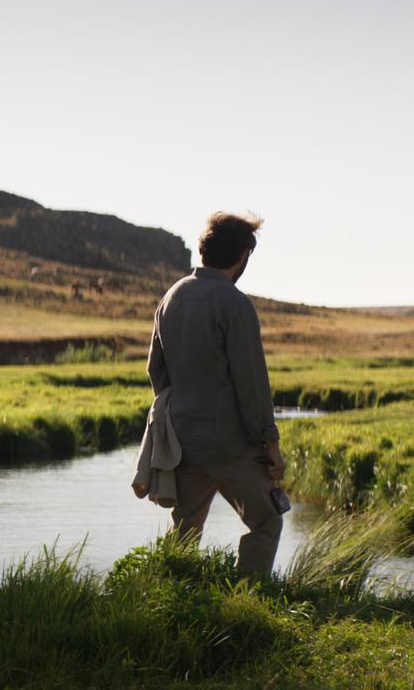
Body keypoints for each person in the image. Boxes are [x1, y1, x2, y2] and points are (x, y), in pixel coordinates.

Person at [146, 211, 286, 576]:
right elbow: (251, 383)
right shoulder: (234, 303)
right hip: (228, 444)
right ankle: (249, 600)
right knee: (266, 521)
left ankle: (170, 594)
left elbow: (155, 370)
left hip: (184, 440)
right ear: (243, 256)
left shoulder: (172, 296)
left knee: (185, 528)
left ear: (204, 249)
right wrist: (269, 442)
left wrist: (179, 413)